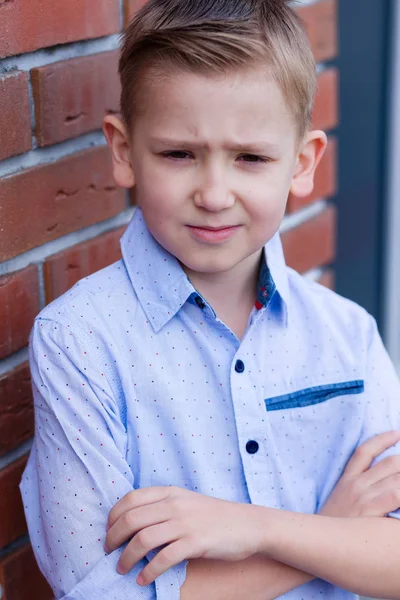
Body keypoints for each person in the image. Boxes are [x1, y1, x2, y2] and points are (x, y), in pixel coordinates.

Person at [20, 0, 400, 598]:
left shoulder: (346, 334)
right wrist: (329, 534)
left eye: (250, 158)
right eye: (179, 155)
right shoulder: (78, 341)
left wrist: (255, 529)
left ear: (302, 164)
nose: (215, 194)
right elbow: (99, 593)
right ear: (123, 151)